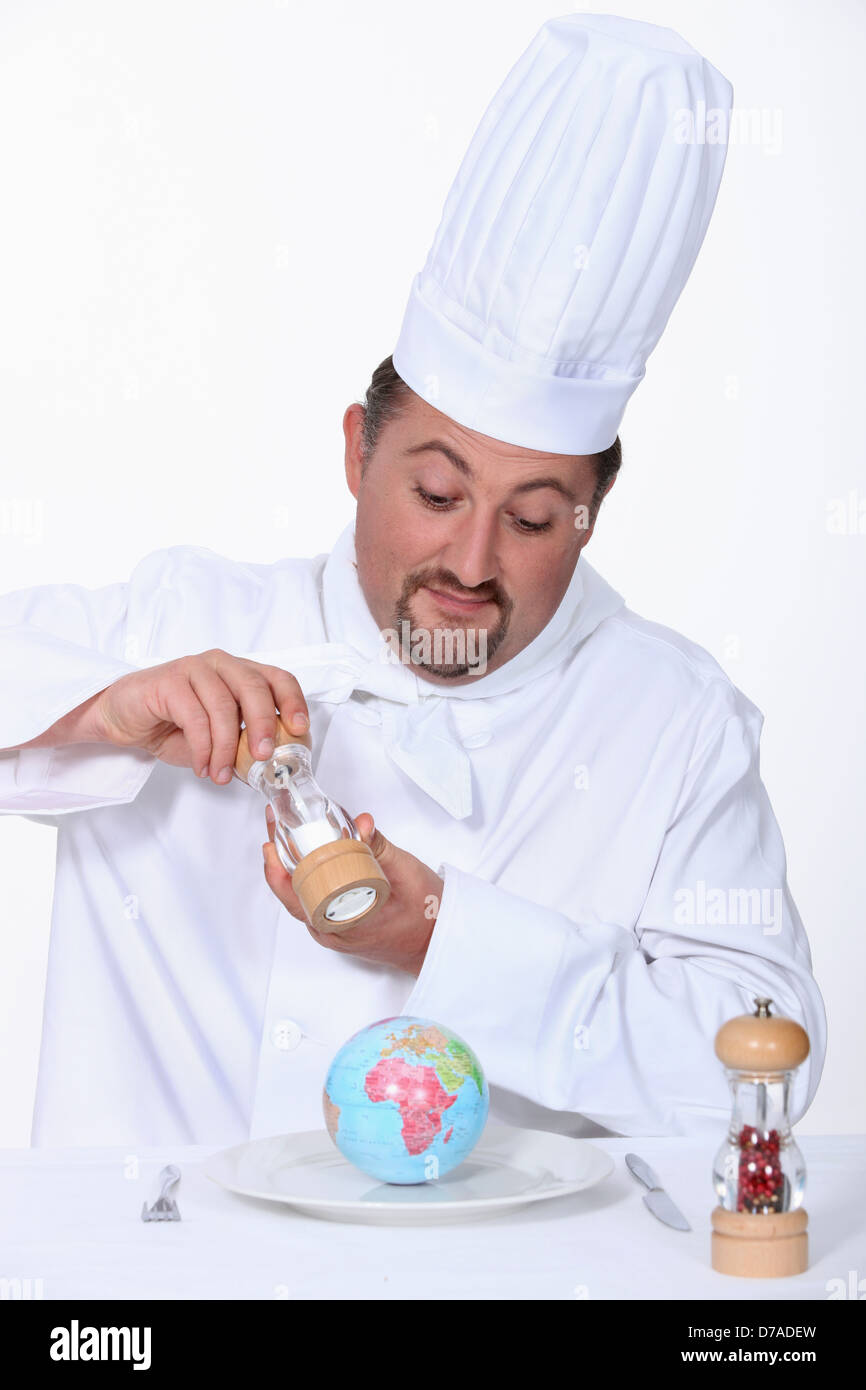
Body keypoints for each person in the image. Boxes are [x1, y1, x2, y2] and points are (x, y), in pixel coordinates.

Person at [0, 14, 826, 1147]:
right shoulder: (186, 620)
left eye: (531, 517)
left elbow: (755, 1068)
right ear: (356, 452)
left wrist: (442, 934)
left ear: (591, 514)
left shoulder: (674, 722)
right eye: (435, 496)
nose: (471, 565)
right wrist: (95, 711)